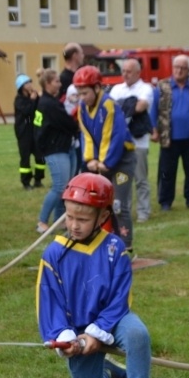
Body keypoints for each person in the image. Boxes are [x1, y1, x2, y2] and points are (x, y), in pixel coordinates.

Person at [36, 173, 152, 378]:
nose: (74, 225)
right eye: (70, 217)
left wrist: (98, 331)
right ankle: (110, 373)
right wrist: (65, 338)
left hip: (114, 317)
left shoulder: (115, 248)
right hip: (76, 329)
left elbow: (120, 297)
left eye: (83, 219)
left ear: (102, 217)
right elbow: (50, 303)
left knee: (137, 334)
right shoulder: (53, 253)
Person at [75, 66, 137, 255]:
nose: (83, 97)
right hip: (100, 162)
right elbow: (86, 135)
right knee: (99, 205)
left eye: (85, 92)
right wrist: (90, 159)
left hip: (121, 162)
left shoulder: (108, 105)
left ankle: (126, 247)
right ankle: (104, 244)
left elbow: (114, 136)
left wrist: (104, 162)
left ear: (96, 88)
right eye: (80, 93)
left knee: (118, 204)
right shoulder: (82, 108)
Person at [150, 55, 189, 211]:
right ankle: (165, 202)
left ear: (188, 70)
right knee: (166, 172)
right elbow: (153, 110)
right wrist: (154, 131)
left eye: (183, 68)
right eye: (176, 67)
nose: (179, 70)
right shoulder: (162, 87)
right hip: (169, 137)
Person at [109, 58, 154, 223]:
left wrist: (122, 107)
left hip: (138, 142)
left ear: (137, 72)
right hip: (120, 143)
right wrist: (128, 106)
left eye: (128, 71)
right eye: (123, 71)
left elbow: (140, 107)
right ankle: (123, 210)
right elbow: (110, 110)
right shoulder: (116, 89)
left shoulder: (145, 88)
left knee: (141, 179)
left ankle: (143, 211)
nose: (124, 74)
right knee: (122, 179)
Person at [34, 69, 79, 234]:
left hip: (65, 147)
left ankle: (59, 220)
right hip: (56, 149)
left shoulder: (50, 101)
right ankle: (42, 221)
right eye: (57, 82)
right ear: (48, 84)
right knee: (59, 187)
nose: (60, 84)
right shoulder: (48, 104)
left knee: (66, 187)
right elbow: (67, 123)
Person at [13, 74, 45, 190]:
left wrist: (39, 98)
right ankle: (26, 182)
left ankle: (38, 179)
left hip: (35, 130)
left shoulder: (34, 96)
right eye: (27, 83)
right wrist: (32, 100)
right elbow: (27, 111)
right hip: (23, 132)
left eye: (30, 82)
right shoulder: (19, 100)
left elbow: (40, 108)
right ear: (21, 87)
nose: (30, 84)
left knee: (40, 156)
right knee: (25, 157)